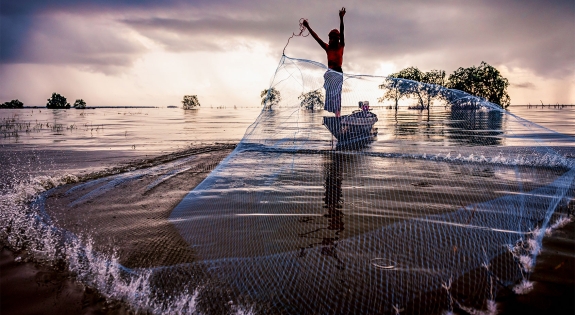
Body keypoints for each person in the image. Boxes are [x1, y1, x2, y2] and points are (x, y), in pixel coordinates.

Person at [303, 8, 346, 117]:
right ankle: (334, 114)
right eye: (329, 38)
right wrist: (308, 27)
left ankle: (338, 115)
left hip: (338, 73)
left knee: (337, 96)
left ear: (337, 39)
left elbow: (342, 30)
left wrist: (341, 18)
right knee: (330, 95)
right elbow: (316, 38)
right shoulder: (327, 48)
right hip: (330, 73)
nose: (330, 40)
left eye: (332, 39)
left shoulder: (341, 46)